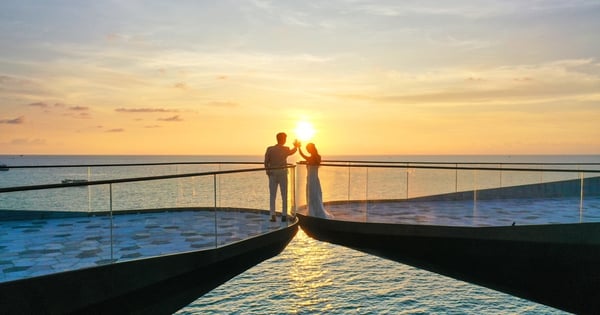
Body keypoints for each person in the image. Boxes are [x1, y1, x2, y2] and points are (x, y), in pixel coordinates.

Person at [264, 132, 300, 222]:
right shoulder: (285, 149)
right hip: (283, 173)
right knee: (284, 194)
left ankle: (272, 215)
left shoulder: (270, 149)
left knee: (272, 195)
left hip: (272, 173)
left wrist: (267, 172)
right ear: (283, 140)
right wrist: (296, 146)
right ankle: (284, 215)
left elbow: (266, 162)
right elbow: (292, 151)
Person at [299, 143, 333, 219]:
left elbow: (303, 156)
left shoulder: (311, 158)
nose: (307, 150)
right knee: (316, 194)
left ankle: (312, 212)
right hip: (315, 178)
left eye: (308, 149)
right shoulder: (318, 157)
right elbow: (309, 160)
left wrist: (299, 148)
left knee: (311, 194)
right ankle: (317, 210)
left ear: (310, 149)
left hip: (311, 178)